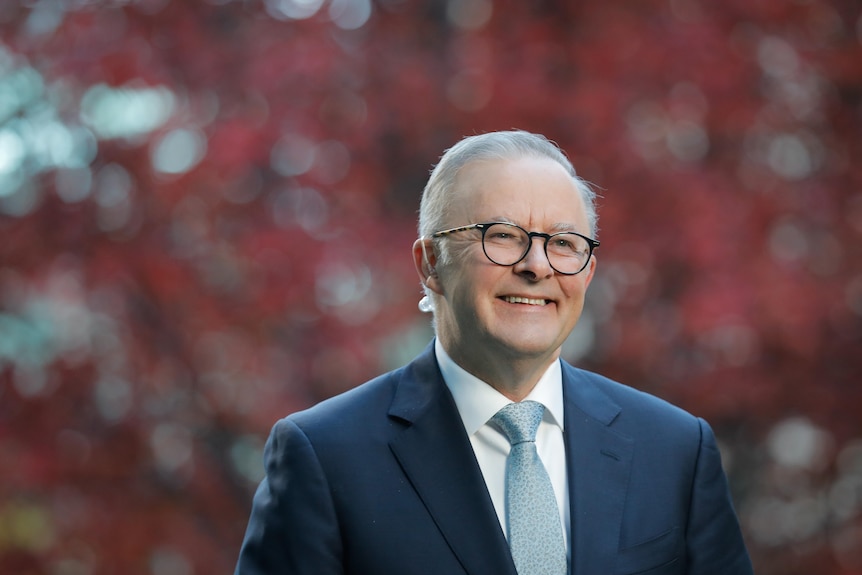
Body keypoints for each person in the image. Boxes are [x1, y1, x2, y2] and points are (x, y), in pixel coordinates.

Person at [234, 130, 753, 575]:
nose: (537, 265)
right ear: (430, 263)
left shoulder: (676, 450)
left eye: (565, 243)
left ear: (588, 272)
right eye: (502, 236)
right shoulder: (324, 457)